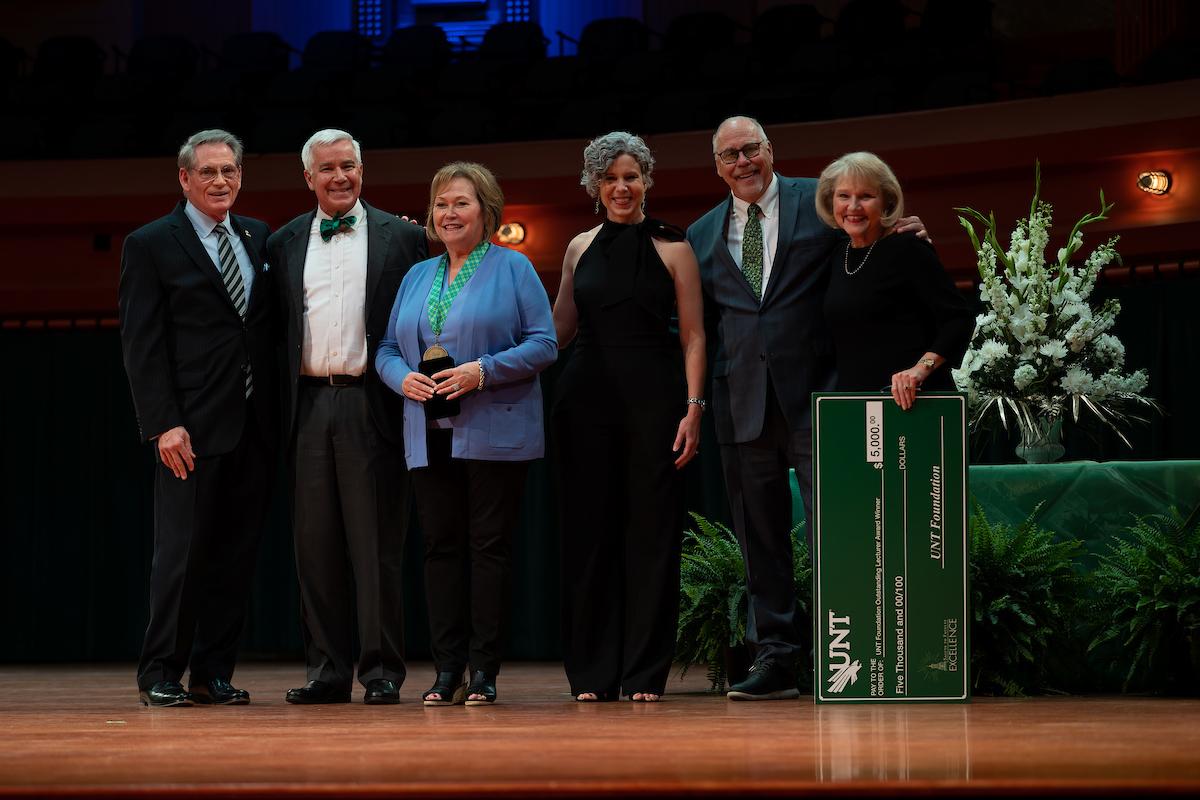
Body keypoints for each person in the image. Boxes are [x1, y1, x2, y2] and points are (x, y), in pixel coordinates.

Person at [686, 117, 927, 701]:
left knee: (839, 530)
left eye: (751, 150)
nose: (741, 163)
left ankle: (850, 654)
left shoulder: (815, 200)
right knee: (759, 537)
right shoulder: (700, 234)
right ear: (716, 166)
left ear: (770, 151)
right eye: (728, 156)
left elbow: (861, 234)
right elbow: (699, 322)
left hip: (821, 394)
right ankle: (776, 659)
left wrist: (898, 232)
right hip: (741, 402)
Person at [376, 162, 556, 706]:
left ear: (487, 211)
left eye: (461, 202)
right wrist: (400, 377)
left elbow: (545, 344)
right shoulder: (416, 276)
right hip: (427, 430)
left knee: (488, 550)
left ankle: (483, 672)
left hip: (493, 429)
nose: (449, 213)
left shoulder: (514, 268)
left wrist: (484, 370)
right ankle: (445, 670)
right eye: (441, 205)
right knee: (439, 550)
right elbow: (385, 350)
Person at [119, 129, 278, 707]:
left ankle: (213, 673)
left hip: (253, 427)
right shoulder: (151, 243)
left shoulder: (258, 236)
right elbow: (142, 343)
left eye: (229, 171)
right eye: (207, 172)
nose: (220, 181)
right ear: (184, 178)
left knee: (234, 559)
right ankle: (160, 670)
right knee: (181, 557)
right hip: (189, 429)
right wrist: (163, 423)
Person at [268, 129, 427, 706]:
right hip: (307, 405)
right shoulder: (282, 242)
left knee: (376, 545)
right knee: (315, 547)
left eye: (349, 166)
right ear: (307, 178)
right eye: (328, 168)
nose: (340, 177)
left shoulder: (406, 237)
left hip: (372, 403)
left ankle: (381, 670)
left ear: (364, 169)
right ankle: (327, 671)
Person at [552, 131, 705, 702]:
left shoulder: (675, 247)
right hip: (583, 401)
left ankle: (643, 672)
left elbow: (693, 335)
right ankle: (592, 673)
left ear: (647, 181)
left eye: (631, 176)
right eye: (610, 178)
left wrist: (693, 408)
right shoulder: (576, 247)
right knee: (588, 537)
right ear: (594, 186)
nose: (621, 187)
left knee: (650, 537)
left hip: (656, 402)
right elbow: (558, 330)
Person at [816, 152, 974, 404]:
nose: (853, 207)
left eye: (866, 196)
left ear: (887, 201)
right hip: (855, 404)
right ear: (830, 200)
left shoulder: (908, 248)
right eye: (843, 196)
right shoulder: (836, 254)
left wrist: (920, 369)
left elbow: (958, 319)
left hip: (916, 402)